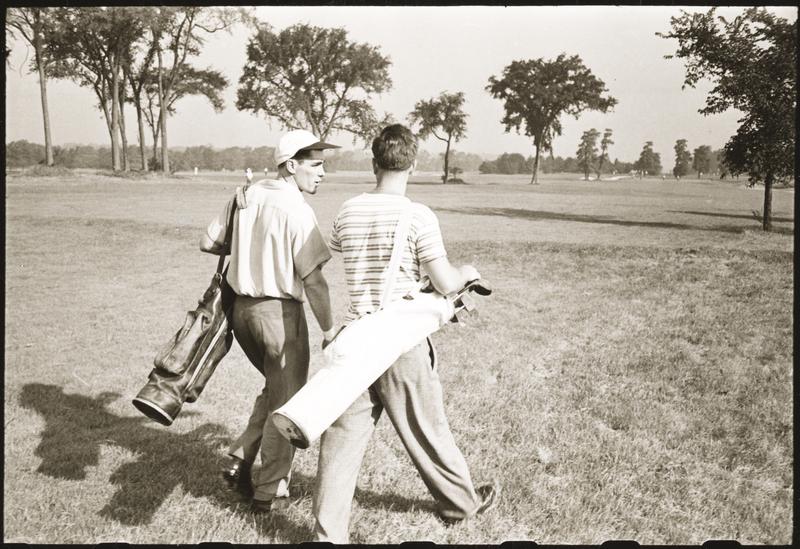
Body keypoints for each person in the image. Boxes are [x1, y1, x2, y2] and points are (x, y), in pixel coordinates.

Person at [312, 124, 496, 542]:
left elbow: (343, 249)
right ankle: (461, 503)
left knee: (340, 441)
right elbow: (445, 283)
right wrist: (468, 272)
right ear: (412, 165)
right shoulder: (418, 216)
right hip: (400, 340)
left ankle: (328, 535)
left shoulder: (348, 211)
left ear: (374, 163)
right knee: (428, 428)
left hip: (355, 338)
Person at [199, 129, 340, 512]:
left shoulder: (246, 195)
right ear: (291, 165)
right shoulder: (297, 209)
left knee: (276, 388)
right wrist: (329, 330)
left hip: (241, 314)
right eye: (315, 165)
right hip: (279, 315)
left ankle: (239, 457)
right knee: (289, 402)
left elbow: (209, 242)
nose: (322, 173)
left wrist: (251, 241)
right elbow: (314, 280)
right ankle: (269, 494)